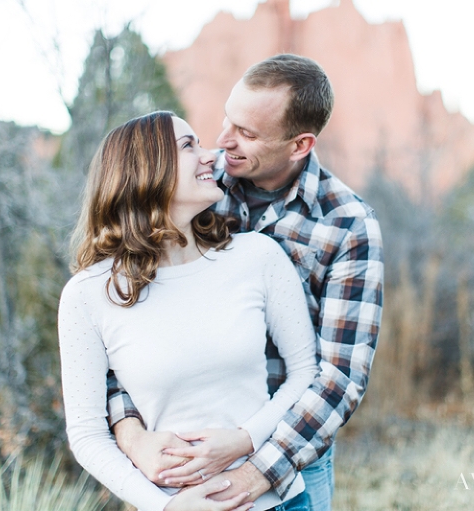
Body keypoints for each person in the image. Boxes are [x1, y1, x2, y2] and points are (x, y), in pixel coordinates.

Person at [108, 54, 384, 511]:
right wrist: (134, 437)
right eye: (227, 119)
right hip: (179, 457)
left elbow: (340, 376)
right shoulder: (190, 188)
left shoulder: (347, 225)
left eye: (248, 134)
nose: (222, 142)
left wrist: (256, 472)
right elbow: (119, 330)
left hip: (290, 457)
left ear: (299, 145)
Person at [58, 111, 320, 511]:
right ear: (146, 170)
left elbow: (306, 373)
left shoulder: (256, 256)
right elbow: (86, 433)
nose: (210, 156)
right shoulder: (89, 295)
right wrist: (164, 506)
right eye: (188, 146)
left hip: (277, 502)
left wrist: (248, 437)